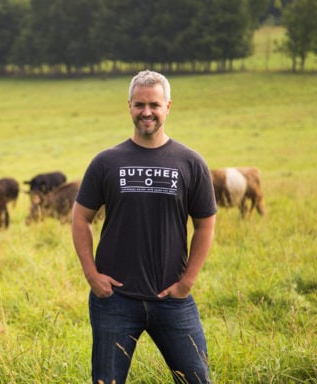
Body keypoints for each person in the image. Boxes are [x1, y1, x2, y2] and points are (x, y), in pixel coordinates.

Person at [71, 70, 217, 384]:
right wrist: (91, 275)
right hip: (114, 300)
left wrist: (186, 283)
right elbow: (80, 218)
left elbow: (205, 224)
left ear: (168, 107)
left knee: (197, 379)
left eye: (154, 104)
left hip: (173, 300)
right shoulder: (106, 162)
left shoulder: (190, 163)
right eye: (139, 105)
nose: (146, 112)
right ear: (129, 107)